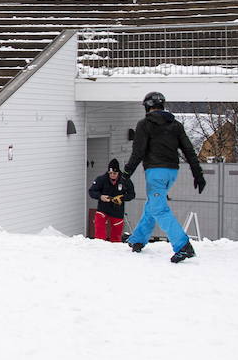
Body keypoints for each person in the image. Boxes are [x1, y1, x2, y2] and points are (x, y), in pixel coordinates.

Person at [122, 91, 205, 264]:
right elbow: (189, 150)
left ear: (147, 106)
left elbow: (138, 152)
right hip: (172, 172)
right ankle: (137, 239)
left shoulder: (144, 124)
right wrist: (198, 174)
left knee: (159, 208)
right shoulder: (175, 125)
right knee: (153, 204)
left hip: (155, 172)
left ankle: (183, 246)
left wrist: (126, 174)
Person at [88, 158, 135, 243]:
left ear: (118, 172)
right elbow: (91, 191)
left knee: (116, 234)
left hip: (117, 209)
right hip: (103, 208)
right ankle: (100, 245)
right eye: (110, 173)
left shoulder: (125, 180)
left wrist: (122, 198)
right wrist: (100, 196)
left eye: (114, 173)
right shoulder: (101, 179)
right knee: (99, 225)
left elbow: (132, 194)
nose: (112, 175)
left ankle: (115, 250)